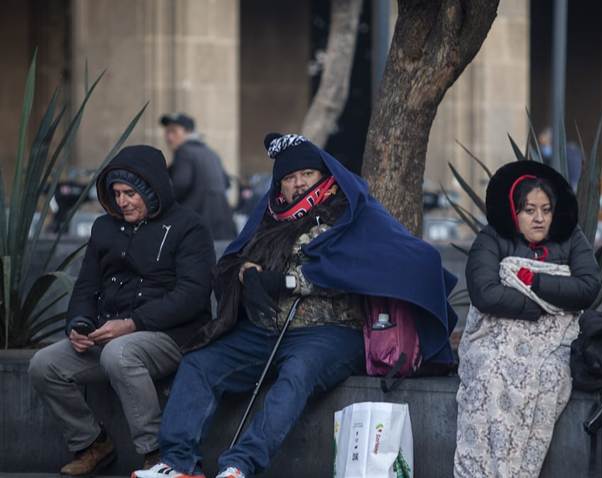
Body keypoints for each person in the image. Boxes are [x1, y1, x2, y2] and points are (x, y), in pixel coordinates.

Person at [134, 133, 458, 478]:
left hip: (333, 332)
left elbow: (371, 267)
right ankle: (178, 463)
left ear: (326, 179)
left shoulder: (353, 216)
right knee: (201, 363)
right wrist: (247, 275)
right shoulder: (271, 218)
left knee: (297, 374)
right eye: (289, 178)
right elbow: (236, 260)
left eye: (307, 174)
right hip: (266, 329)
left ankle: (240, 465)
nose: (298, 183)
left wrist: (289, 281)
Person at [28, 145, 215, 476]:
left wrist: (133, 323)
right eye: (116, 193)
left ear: (152, 189)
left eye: (130, 193)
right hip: (111, 333)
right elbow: (86, 285)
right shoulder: (104, 227)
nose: (122, 201)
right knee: (45, 364)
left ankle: (157, 456)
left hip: (172, 336)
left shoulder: (190, 227)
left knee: (119, 354)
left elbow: (193, 295)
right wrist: (79, 324)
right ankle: (92, 444)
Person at [454, 161, 601, 477]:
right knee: (491, 373)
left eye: (545, 210)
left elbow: (588, 287)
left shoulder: (571, 238)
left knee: (548, 377)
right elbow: (485, 294)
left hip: (554, 340)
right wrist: (537, 306)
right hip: (496, 335)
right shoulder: (491, 238)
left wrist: (534, 282)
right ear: (514, 211)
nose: (539, 218)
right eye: (529, 210)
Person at [160, 112, 237, 240]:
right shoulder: (210, 153)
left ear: (188, 132)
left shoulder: (184, 152)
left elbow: (180, 185)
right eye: (167, 132)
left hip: (197, 230)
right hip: (223, 229)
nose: (169, 137)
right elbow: (227, 183)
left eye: (174, 132)